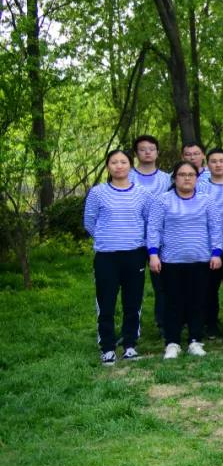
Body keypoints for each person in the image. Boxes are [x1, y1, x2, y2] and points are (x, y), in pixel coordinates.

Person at [147, 162, 223, 359]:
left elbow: (215, 228)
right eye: (182, 174)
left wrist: (216, 253)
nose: (187, 178)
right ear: (175, 178)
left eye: (191, 174)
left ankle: (195, 340)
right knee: (172, 302)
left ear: (197, 178)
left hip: (200, 260)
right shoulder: (162, 200)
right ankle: (172, 342)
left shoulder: (207, 200)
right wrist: (153, 254)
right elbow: (154, 228)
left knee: (197, 301)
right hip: (171, 261)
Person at [84, 149, 153, 365]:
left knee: (133, 302)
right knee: (106, 303)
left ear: (130, 166)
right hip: (106, 256)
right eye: (114, 162)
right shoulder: (98, 193)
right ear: (108, 166)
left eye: (123, 162)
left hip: (135, 255)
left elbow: (149, 222)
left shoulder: (143, 193)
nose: (119, 166)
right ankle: (107, 347)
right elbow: (89, 221)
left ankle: (130, 345)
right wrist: (107, 238)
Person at [130, 135, 170, 332]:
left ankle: (163, 322)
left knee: (162, 284)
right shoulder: (127, 176)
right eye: (143, 149)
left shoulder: (167, 178)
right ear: (136, 153)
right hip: (134, 239)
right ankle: (131, 327)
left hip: (161, 239)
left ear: (157, 152)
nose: (147, 152)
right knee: (132, 286)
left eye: (151, 149)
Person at [199, 147, 223, 339]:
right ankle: (211, 323)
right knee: (209, 288)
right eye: (213, 161)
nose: (218, 164)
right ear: (207, 165)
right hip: (208, 247)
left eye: (222, 161)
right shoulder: (200, 187)